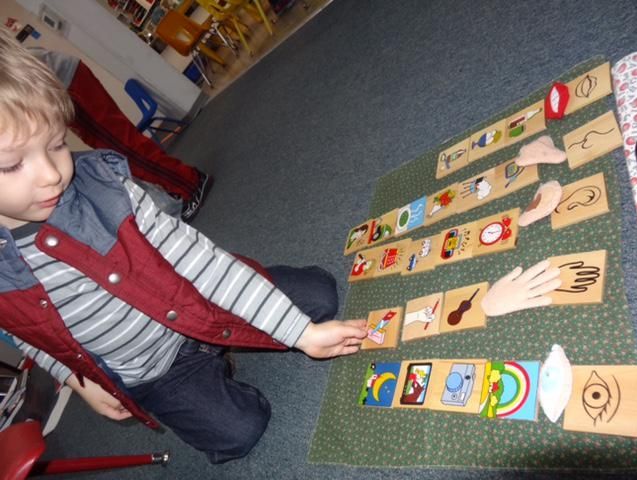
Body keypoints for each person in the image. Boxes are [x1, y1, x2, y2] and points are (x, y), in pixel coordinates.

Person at [0, 30, 367, 464]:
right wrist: (80, 382)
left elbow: (202, 265)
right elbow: (33, 338)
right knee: (237, 435)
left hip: (201, 297)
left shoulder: (106, 189)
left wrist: (300, 333)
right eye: (13, 164)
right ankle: (220, 361)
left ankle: (253, 311)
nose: (51, 175)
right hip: (158, 372)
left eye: (58, 144)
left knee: (318, 297)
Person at [28, 47, 211, 222]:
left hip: (68, 88)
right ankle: (177, 183)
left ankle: (191, 184)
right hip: (65, 85)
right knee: (121, 145)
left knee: (123, 149)